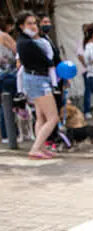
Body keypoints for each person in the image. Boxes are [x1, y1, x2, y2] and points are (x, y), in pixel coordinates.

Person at [16, 11, 59, 159]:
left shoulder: (28, 41)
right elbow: (47, 61)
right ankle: (35, 148)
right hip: (38, 81)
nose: (33, 26)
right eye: (29, 23)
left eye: (34, 23)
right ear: (21, 26)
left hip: (37, 79)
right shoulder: (26, 42)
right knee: (53, 117)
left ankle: (40, 146)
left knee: (41, 117)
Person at [0, 16, 17, 144]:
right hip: (8, 73)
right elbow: (18, 51)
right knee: (11, 103)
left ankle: (6, 134)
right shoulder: (4, 36)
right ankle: (11, 133)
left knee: (3, 104)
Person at [77, 24, 92, 119]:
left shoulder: (91, 42)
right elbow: (79, 55)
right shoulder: (82, 41)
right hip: (87, 71)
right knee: (88, 90)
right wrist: (86, 65)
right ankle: (86, 110)